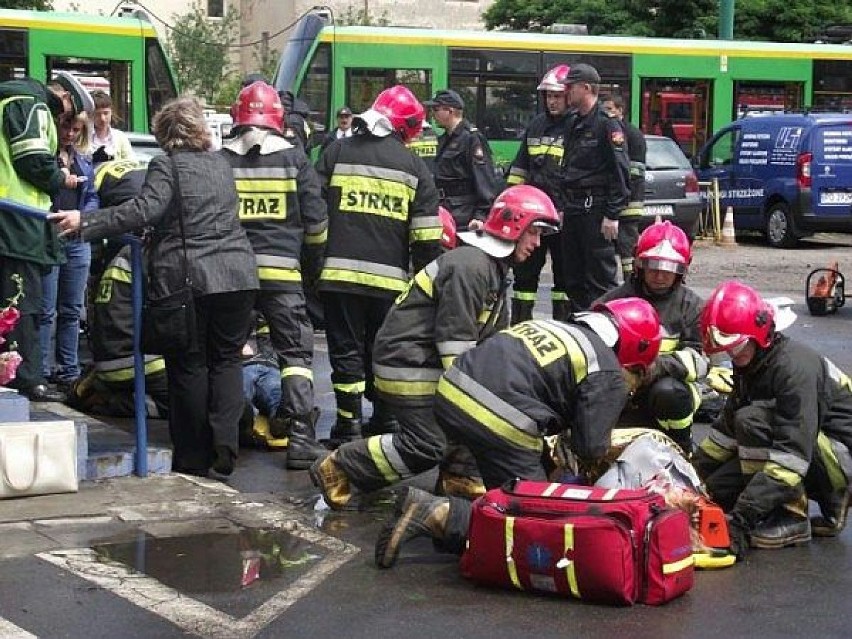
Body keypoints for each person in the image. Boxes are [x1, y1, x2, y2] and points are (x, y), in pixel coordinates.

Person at [310, 185, 561, 510]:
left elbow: (487, 348)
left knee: (482, 409)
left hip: (418, 361)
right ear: (516, 224)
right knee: (428, 444)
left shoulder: (491, 268)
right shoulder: (472, 267)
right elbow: (455, 345)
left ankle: (459, 477)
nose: (538, 243)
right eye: (535, 232)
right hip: (407, 365)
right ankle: (341, 466)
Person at [50, 96, 259, 479]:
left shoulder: (167, 165)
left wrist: (86, 221)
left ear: (164, 134)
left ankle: (194, 457)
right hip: (239, 277)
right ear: (199, 131)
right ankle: (226, 443)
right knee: (227, 361)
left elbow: (144, 210)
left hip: (189, 279)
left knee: (189, 364)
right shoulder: (222, 165)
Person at [373, 297, 664, 568]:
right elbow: (589, 448)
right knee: (534, 521)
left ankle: (463, 520)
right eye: (637, 375)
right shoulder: (608, 369)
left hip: (452, 393)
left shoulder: (560, 328)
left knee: (516, 474)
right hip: (499, 416)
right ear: (635, 355)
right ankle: (438, 514)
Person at [315, 85, 443, 446]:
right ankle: (384, 417)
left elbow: (313, 208)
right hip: (390, 283)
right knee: (382, 348)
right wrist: (423, 288)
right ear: (406, 128)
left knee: (345, 349)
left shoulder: (336, 151)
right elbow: (426, 240)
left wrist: (313, 266)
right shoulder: (416, 168)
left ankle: (347, 423)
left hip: (338, 276)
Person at [694, 280, 852, 560]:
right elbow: (724, 436)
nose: (732, 355)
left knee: (752, 421)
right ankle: (820, 502)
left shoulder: (794, 370)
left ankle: (792, 515)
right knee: (712, 493)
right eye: (726, 350)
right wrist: (688, 480)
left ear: (759, 333)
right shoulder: (753, 363)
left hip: (838, 457)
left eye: (736, 346)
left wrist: (742, 520)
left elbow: (791, 455)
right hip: (811, 447)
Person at [220, 81, 328, 470]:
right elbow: (316, 226)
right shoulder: (296, 159)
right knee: (295, 354)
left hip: (232, 274)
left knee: (227, 351)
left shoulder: (223, 159)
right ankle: (300, 438)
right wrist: (312, 271)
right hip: (283, 274)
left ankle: (227, 436)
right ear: (278, 120)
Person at [0, 71, 93, 402]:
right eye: (64, 116)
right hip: (17, 225)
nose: (61, 123)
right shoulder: (34, 104)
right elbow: (32, 160)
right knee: (23, 305)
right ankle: (25, 380)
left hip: (10, 221)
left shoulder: (7, 99)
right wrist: (60, 178)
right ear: (64, 98)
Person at [64, 158, 169, 418]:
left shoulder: (129, 252)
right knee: (192, 396)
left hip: (113, 360)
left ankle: (101, 385)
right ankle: (107, 401)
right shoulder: (157, 259)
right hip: (137, 362)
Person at [595, 221, 707, 454]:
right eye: (653, 265)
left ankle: (682, 446)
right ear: (639, 263)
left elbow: (699, 360)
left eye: (669, 268)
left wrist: (654, 369)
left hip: (668, 388)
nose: (660, 275)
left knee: (670, 394)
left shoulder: (692, 307)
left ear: (682, 269)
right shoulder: (612, 303)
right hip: (621, 386)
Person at [558, 64, 630, 311]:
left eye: (570, 87)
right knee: (573, 278)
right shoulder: (572, 122)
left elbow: (620, 171)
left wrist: (612, 214)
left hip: (596, 208)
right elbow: (567, 167)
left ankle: (605, 333)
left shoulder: (607, 124)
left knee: (600, 278)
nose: (565, 92)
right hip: (574, 207)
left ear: (586, 88)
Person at [506, 64, 573, 324]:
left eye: (557, 95)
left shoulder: (576, 127)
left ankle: (562, 327)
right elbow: (519, 168)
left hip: (564, 216)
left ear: (569, 96)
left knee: (565, 276)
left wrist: (567, 208)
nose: (552, 101)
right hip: (534, 217)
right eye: (548, 96)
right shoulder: (536, 125)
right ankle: (520, 327)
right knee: (525, 275)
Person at [39, 109, 99, 392]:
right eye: (66, 127)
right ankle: (41, 369)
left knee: (72, 310)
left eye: (76, 130)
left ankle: (68, 368)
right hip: (50, 235)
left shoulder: (83, 161)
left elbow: (93, 197)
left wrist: (82, 216)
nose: (70, 134)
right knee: (46, 310)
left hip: (77, 238)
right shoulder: (46, 160)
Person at [425, 89, 503, 230]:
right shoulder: (444, 139)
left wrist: (481, 216)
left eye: (436, 109)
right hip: (445, 210)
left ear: (450, 111)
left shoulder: (471, 139)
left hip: (463, 217)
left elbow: (484, 180)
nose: (432, 114)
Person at [601, 94, 646, 279]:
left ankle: (631, 283)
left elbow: (632, 172)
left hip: (629, 203)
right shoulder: (609, 131)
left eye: (610, 109)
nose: (606, 114)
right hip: (614, 201)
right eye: (604, 110)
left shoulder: (631, 134)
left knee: (627, 248)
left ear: (620, 111)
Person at [238, 312, 287, 450]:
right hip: (270, 364)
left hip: (243, 364)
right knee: (276, 394)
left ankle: (245, 420)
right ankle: (279, 415)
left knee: (240, 394)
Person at [89, 89, 134, 165]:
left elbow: (132, 163)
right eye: (97, 114)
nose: (102, 118)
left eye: (106, 113)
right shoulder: (83, 137)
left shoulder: (120, 137)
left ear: (111, 112)